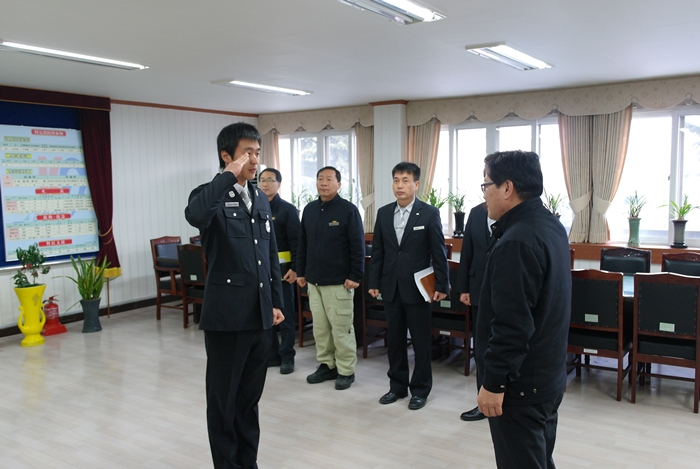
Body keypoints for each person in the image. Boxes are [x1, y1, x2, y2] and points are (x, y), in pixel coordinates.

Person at [185, 122, 284, 469]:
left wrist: (276, 302)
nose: (254, 160)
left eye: (257, 152)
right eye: (246, 153)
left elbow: (270, 255)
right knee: (223, 402)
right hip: (227, 318)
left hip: (260, 315)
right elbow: (196, 216)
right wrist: (227, 176)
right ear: (226, 156)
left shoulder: (259, 198)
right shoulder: (208, 194)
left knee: (248, 401)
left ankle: (248, 463)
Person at [476, 150, 571, 469]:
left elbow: (512, 325)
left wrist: (494, 383)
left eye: (486, 184)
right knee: (538, 458)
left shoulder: (517, 241)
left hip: (520, 385)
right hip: (546, 375)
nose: (484, 194)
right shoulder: (550, 225)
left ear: (507, 187)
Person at [368, 162, 448, 410]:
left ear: (416, 184)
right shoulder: (383, 213)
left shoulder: (429, 213)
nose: (400, 185)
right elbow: (378, 251)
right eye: (396, 180)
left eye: (405, 180)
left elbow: (438, 252)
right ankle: (397, 387)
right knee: (395, 340)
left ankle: (420, 390)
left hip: (418, 289)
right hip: (391, 287)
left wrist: (442, 284)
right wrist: (373, 282)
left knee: (421, 342)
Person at [296, 166, 365, 391]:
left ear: (339, 184)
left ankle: (346, 370)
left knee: (341, 328)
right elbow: (303, 243)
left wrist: (355, 275)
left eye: (329, 179)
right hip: (314, 281)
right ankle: (327, 365)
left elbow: (357, 246)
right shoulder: (310, 209)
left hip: (339, 283)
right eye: (320, 179)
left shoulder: (348, 210)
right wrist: (301, 271)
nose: (323, 183)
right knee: (321, 328)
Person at [258, 167, 300, 375]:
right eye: (262, 180)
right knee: (266, 316)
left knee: (286, 316)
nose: (265, 184)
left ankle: (287, 356)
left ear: (279, 184)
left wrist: (295, 269)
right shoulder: (255, 207)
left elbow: (297, 242)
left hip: (283, 273)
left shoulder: (287, 210)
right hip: (261, 272)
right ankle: (272, 354)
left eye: (270, 180)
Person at [456, 201, 493, 422]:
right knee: (481, 349)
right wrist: (464, 288)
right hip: (478, 289)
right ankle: (483, 403)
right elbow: (467, 251)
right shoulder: (476, 213)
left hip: (505, 290)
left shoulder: (513, 210)